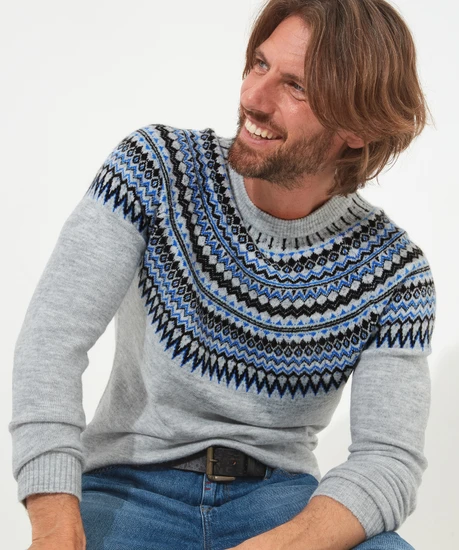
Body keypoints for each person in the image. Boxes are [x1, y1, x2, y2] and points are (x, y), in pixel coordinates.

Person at [10, 0, 436, 549]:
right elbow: (51, 342)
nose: (253, 98)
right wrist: (53, 520)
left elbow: (388, 459)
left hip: (280, 506)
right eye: (260, 64)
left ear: (357, 126)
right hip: (128, 489)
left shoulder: (395, 272)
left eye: (296, 87)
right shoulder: (155, 169)